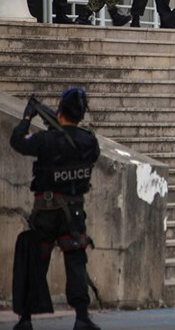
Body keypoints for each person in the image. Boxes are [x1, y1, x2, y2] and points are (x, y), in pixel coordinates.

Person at [10, 88, 101, 330]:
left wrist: (28, 118)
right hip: (74, 212)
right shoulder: (89, 140)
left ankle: (26, 318)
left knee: (35, 261)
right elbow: (81, 153)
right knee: (76, 261)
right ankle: (82, 317)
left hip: (46, 211)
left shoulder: (46, 140)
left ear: (60, 111)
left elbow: (17, 141)